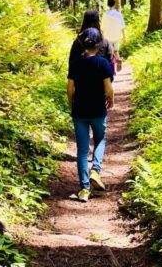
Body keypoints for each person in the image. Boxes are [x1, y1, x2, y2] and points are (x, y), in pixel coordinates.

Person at [66, 27, 114, 202]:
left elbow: (70, 89)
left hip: (79, 111)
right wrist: (111, 99)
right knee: (100, 139)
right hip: (98, 110)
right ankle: (96, 171)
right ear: (98, 44)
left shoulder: (75, 64)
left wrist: (72, 105)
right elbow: (108, 89)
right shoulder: (103, 63)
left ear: (83, 43)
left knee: (82, 150)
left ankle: (84, 189)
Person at [67, 8, 115, 75]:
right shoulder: (104, 42)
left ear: (84, 21)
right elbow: (110, 64)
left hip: (81, 83)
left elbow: (71, 63)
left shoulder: (77, 42)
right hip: (101, 82)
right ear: (98, 21)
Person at [102, 0, 127, 72]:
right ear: (114, 4)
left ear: (108, 5)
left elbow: (102, 27)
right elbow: (122, 26)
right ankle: (118, 60)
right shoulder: (118, 14)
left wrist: (102, 36)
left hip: (107, 36)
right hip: (116, 35)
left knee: (109, 51)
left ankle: (111, 65)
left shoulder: (105, 15)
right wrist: (124, 37)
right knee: (116, 50)